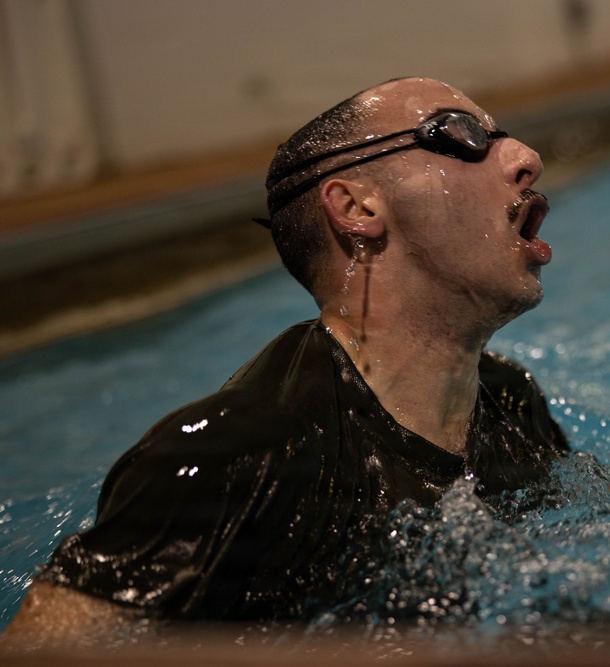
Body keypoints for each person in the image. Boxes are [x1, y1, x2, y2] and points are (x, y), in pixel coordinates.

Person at [3, 77, 567, 646]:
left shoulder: (510, 401)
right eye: (459, 134)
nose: (526, 158)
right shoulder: (232, 457)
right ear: (355, 207)